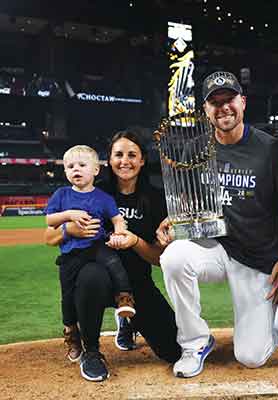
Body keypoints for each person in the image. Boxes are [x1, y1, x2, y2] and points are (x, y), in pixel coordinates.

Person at [156, 71, 278, 379]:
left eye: (229, 100)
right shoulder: (195, 148)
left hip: (258, 257)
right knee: (174, 257)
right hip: (216, 248)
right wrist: (173, 220)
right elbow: (188, 201)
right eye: (214, 102)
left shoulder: (271, 149)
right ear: (206, 110)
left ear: (243, 102)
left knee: (251, 356)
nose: (223, 108)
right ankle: (195, 343)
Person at [45, 131, 181, 382]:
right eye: (118, 154)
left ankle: (127, 321)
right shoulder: (93, 189)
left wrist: (135, 241)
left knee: (174, 350)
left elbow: (156, 258)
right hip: (96, 276)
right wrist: (69, 229)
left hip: (136, 284)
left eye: (132, 155)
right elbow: (49, 237)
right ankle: (92, 352)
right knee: (90, 276)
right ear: (109, 160)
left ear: (142, 160)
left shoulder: (155, 198)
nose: (125, 161)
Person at [46, 145, 136, 363]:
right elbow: (49, 222)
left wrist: (120, 233)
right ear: (65, 171)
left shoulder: (103, 198)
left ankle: (125, 298)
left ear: (96, 170)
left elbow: (117, 220)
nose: (75, 169)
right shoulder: (62, 194)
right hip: (71, 254)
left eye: (82, 165)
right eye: (70, 166)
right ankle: (72, 332)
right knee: (67, 297)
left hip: (96, 247)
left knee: (114, 262)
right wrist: (68, 215)